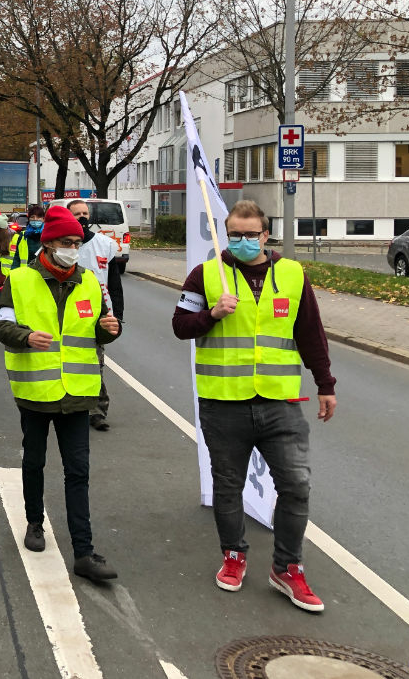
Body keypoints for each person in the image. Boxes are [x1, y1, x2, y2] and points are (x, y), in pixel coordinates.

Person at [172, 199, 337, 612]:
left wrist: (325, 384)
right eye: (235, 234)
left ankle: (287, 568)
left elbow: (310, 333)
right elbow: (179, 326)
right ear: (226, 233)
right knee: (228, 486)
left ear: (266, 234)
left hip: (280, 402)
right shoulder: (206, 274)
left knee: (297, 485)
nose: (243, 241)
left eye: (251, 234)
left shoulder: (293, 274)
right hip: (223, 402)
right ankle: (233, 555)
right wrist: (211, 314)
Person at [0, 205, 121, 583]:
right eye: (66, 242)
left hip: (79, 394)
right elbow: (2, 327)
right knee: (34, 461)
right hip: (36, 390)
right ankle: (35, 522)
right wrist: (25, 337)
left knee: (77, 471)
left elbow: (97, 330)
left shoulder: (90, 283)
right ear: (48, 245)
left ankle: (84, 551)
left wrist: (109, 330)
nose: (73, 248)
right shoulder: (17, 281)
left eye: (77, 243)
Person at [67, 200, 124, 432]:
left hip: (99, 314)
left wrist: (118, 315)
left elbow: (114, 283)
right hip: (69, 314)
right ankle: (72, 403)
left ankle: (97, 410)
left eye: (85, 213)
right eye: (76, 214)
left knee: (96, 362)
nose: (82, 217)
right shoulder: (62, 245)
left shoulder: (105, 245)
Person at [10, 203, 46, 270]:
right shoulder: (23, 235)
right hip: (26, 273)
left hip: (43, 273)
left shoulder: (48, 235)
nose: (35, 219)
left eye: (38, 217)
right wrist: (13, 273)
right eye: (32, 217)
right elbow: (17, 257)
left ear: (43, 219)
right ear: (29, 219)